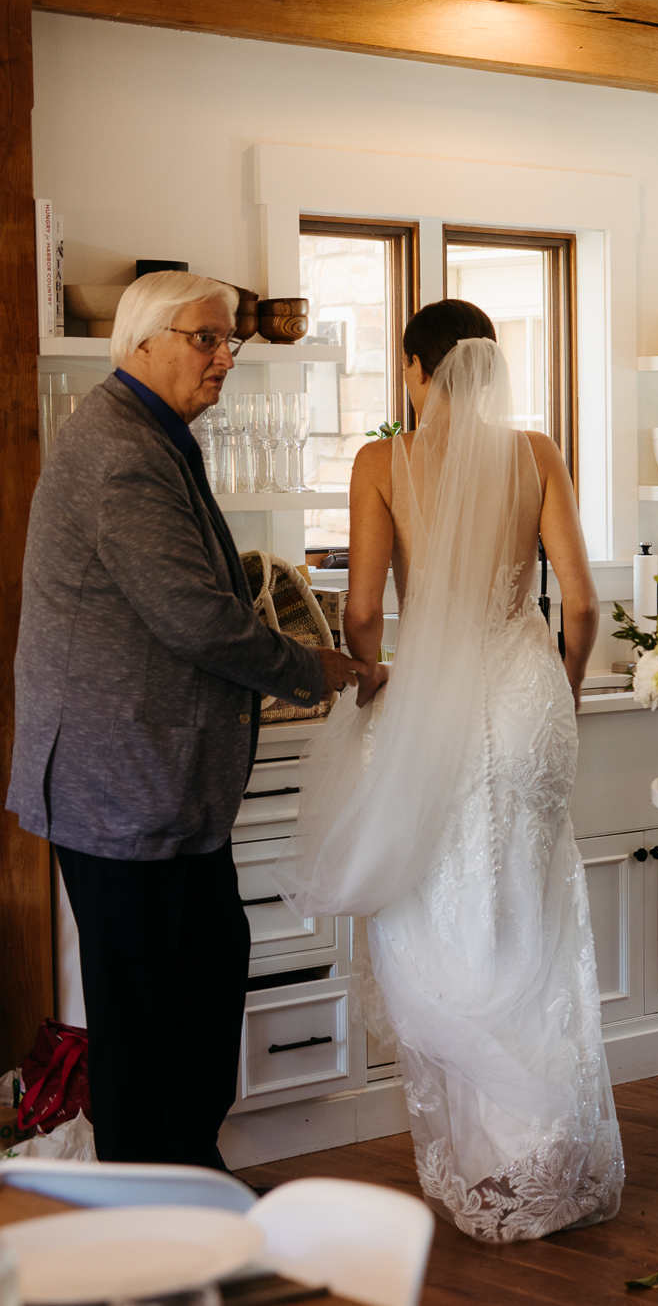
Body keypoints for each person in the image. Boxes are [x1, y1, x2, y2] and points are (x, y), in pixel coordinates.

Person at [278, 302, 623, 1241]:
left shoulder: (382, 463)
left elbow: (358, 615)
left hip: (431, 694)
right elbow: (582, 604)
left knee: (439, 909)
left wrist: (378, 679)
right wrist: (569, 685)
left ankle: (490, 1153)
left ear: (415, 371)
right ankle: (545, 1147)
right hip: (525, 694)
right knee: (530, 903)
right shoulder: (535, 451)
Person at [7, 271, 366, 1168]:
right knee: (143, 1019)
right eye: (206, 338)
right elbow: (197, 616)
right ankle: (153, 1211)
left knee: (202, 983)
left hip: (159, 790)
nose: (224, 358)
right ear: (143, 342)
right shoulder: (123, 449)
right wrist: (311, 668)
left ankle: (190, 1176)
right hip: (121, 785)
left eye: (230, 341)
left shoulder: (152, 433)